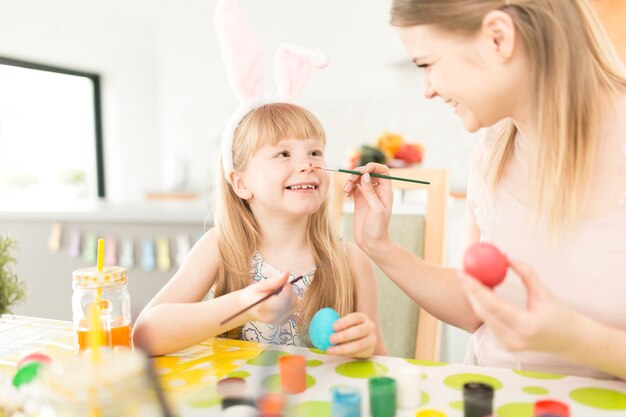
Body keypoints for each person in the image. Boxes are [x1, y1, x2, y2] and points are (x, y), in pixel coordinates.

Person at [344, 0, 626, 379]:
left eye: (427, 64)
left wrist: (572, 338)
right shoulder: (492, 152)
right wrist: (380, 245)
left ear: (498, 37)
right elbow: (476, 305)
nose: (427, 90)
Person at [133, 102, 387, 358]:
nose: (308, 165)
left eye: (315, 152)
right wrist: (243, 306)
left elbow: (382, 362)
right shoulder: (221, 248)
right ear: (241, 183)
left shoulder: (351, 261)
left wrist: (365, 348)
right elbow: (144, 336)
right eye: (283, 154)